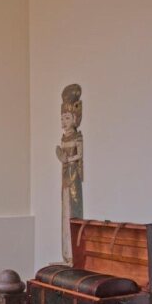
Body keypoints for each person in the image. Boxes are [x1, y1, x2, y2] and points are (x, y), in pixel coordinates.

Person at [55, 84, 83, 264]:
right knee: (64, 207)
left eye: (67, 118)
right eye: (62, 118)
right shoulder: (63, 138)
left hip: (73, 174)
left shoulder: (77, 137)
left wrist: (69, 159)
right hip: (65, 175)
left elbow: (79, 155)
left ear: (75, 118)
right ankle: (66, 253)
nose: (63, 122)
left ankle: (73, 254)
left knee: (72, 207)